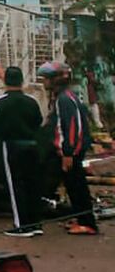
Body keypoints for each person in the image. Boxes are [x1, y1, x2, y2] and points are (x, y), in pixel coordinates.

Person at [40, 62, 97, 235]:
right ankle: (81, 218)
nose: (43, 83)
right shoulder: (64, 97)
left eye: (46, 79)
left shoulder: (64, 99)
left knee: (77, 186)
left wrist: (68, 153)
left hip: (70, 153)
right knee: (73, 185)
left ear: (55, 80)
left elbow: (72, 127)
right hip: (69, 152)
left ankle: (88, 223)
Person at [0, 66, 44, 237]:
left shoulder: (0, 103)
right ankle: (36, 223)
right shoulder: (32, 102)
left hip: (12, 146)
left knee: (15, 186)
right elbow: (38, 122)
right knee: (33, 184)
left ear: (5, 81)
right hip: (32, 146)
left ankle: (21, 226)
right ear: (22, 81)